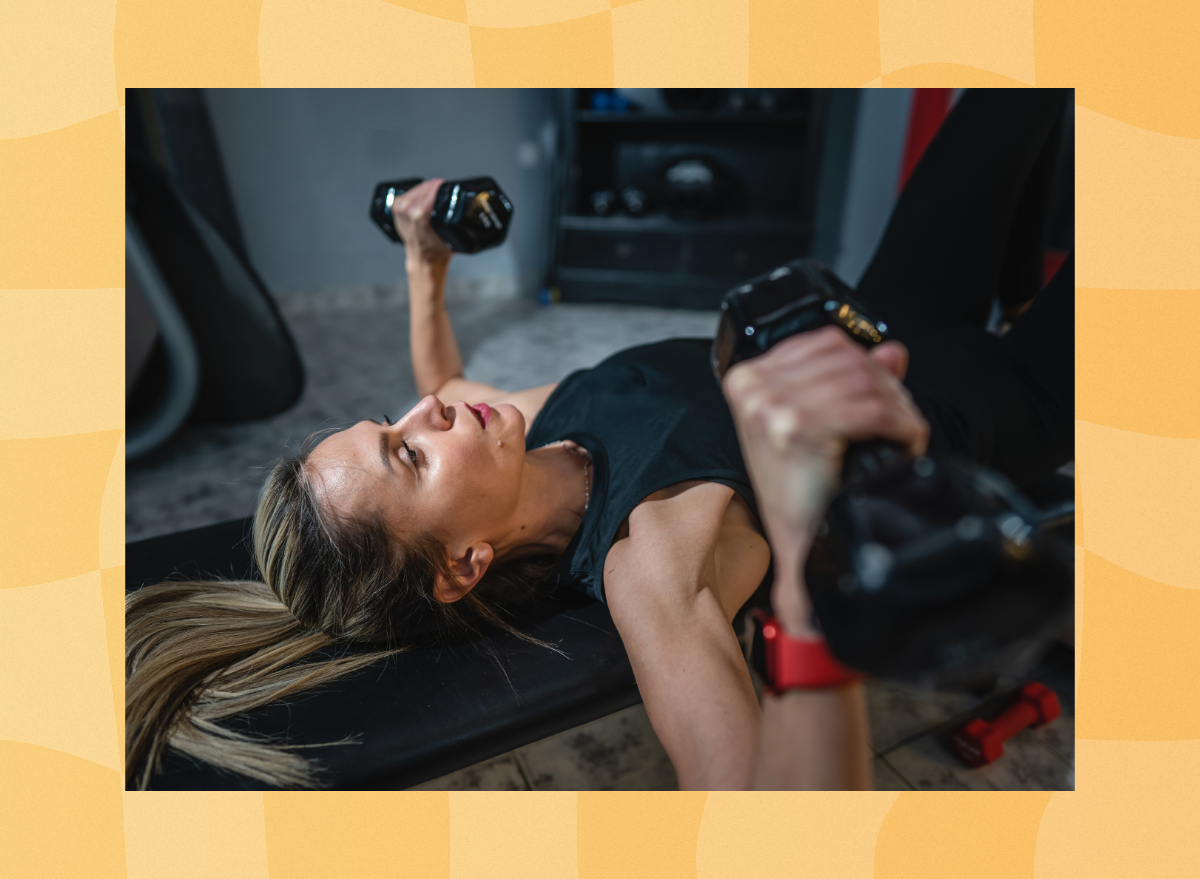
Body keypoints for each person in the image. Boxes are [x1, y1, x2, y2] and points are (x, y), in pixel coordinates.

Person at [125, 88, 1072, 791]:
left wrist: (425, 262)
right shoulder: (651, 560)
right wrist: (801, 562)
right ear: (462, 564)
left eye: (390, 421)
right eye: (409, 453)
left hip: (883, 314)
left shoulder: (538, 426)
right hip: (1000, 403)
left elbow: (442, 382)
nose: (429, 415)